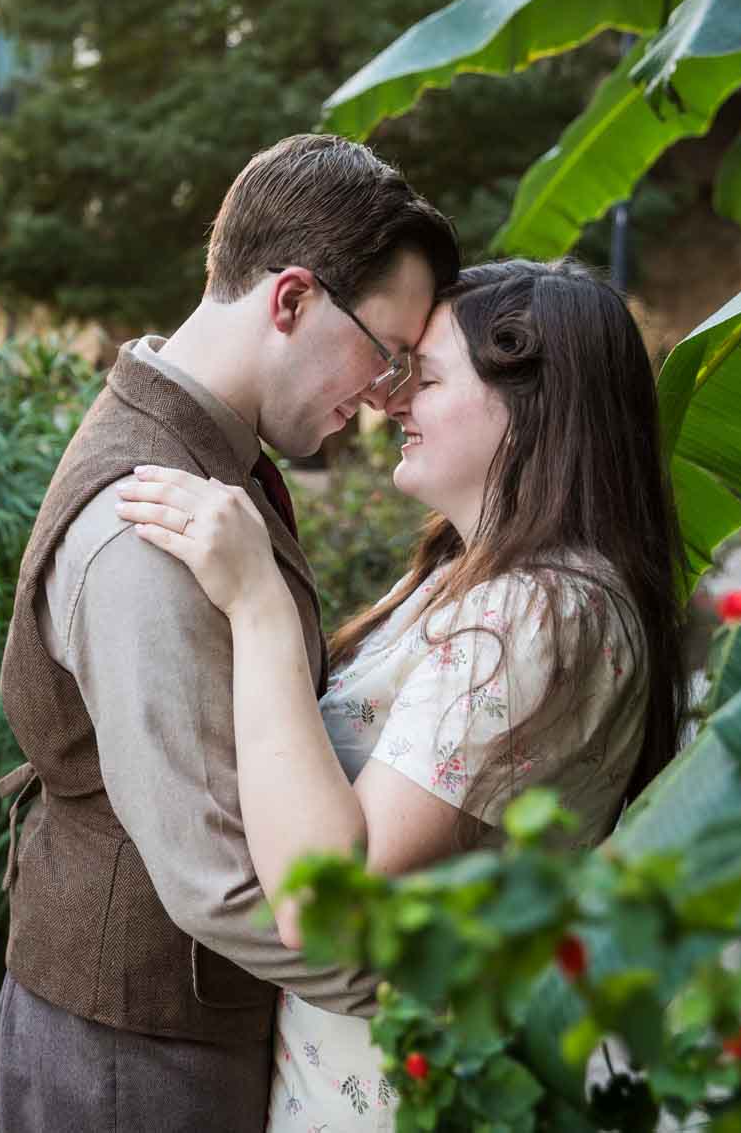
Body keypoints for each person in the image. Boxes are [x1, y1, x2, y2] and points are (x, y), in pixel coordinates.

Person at [115, 258, 687, 1128]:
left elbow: (321, 899)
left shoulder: (543, 613)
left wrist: (259, 602)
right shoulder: (470, 576)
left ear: (527, 409)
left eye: (426, 374)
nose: (389, 398)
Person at [0, 133, 460, 1132]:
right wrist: (438, 991)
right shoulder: (147, 523)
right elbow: (220, 882)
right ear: (290, 300)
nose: (383, 400)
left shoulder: (208, 454)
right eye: (383, 355)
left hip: (161, 1023)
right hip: (137, 1046)